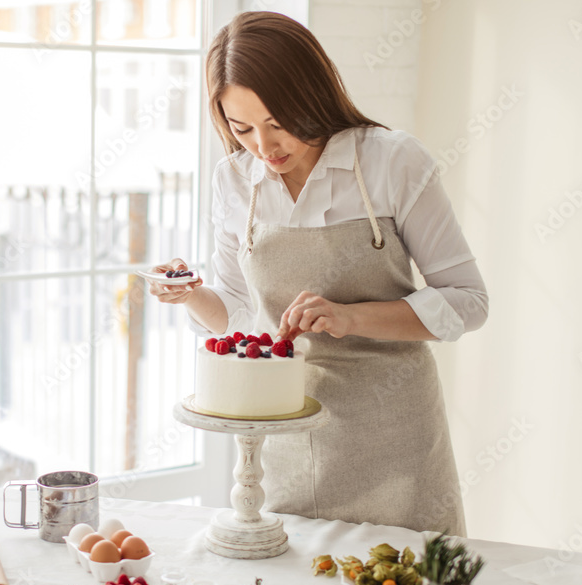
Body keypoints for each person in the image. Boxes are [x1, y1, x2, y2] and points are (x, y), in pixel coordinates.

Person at [148, 12, 487, 536]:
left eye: (278, 122)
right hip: (286, 436)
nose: (263, 146)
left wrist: (350, 318)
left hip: (394, 435)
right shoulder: (236, 180)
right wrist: (191, 294)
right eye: (242, 128)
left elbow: (468, 300)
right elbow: (242, 315)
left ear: (311, 92)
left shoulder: (391, 162)